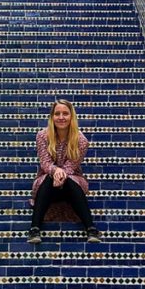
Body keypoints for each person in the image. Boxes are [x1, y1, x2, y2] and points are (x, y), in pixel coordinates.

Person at [28, 98, 101, 243]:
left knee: (67, 179)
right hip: (47, 183)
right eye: (57, 114)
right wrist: (55, 171)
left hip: (72, 182)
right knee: (49, 178)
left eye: (65, 114)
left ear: (71, 117)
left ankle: (91, 229)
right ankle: (34, 229)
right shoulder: (42, 136)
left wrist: (61, 174)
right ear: (52, 117)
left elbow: (71, 166)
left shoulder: (81, 141)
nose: (61, 117)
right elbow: (45, 163)